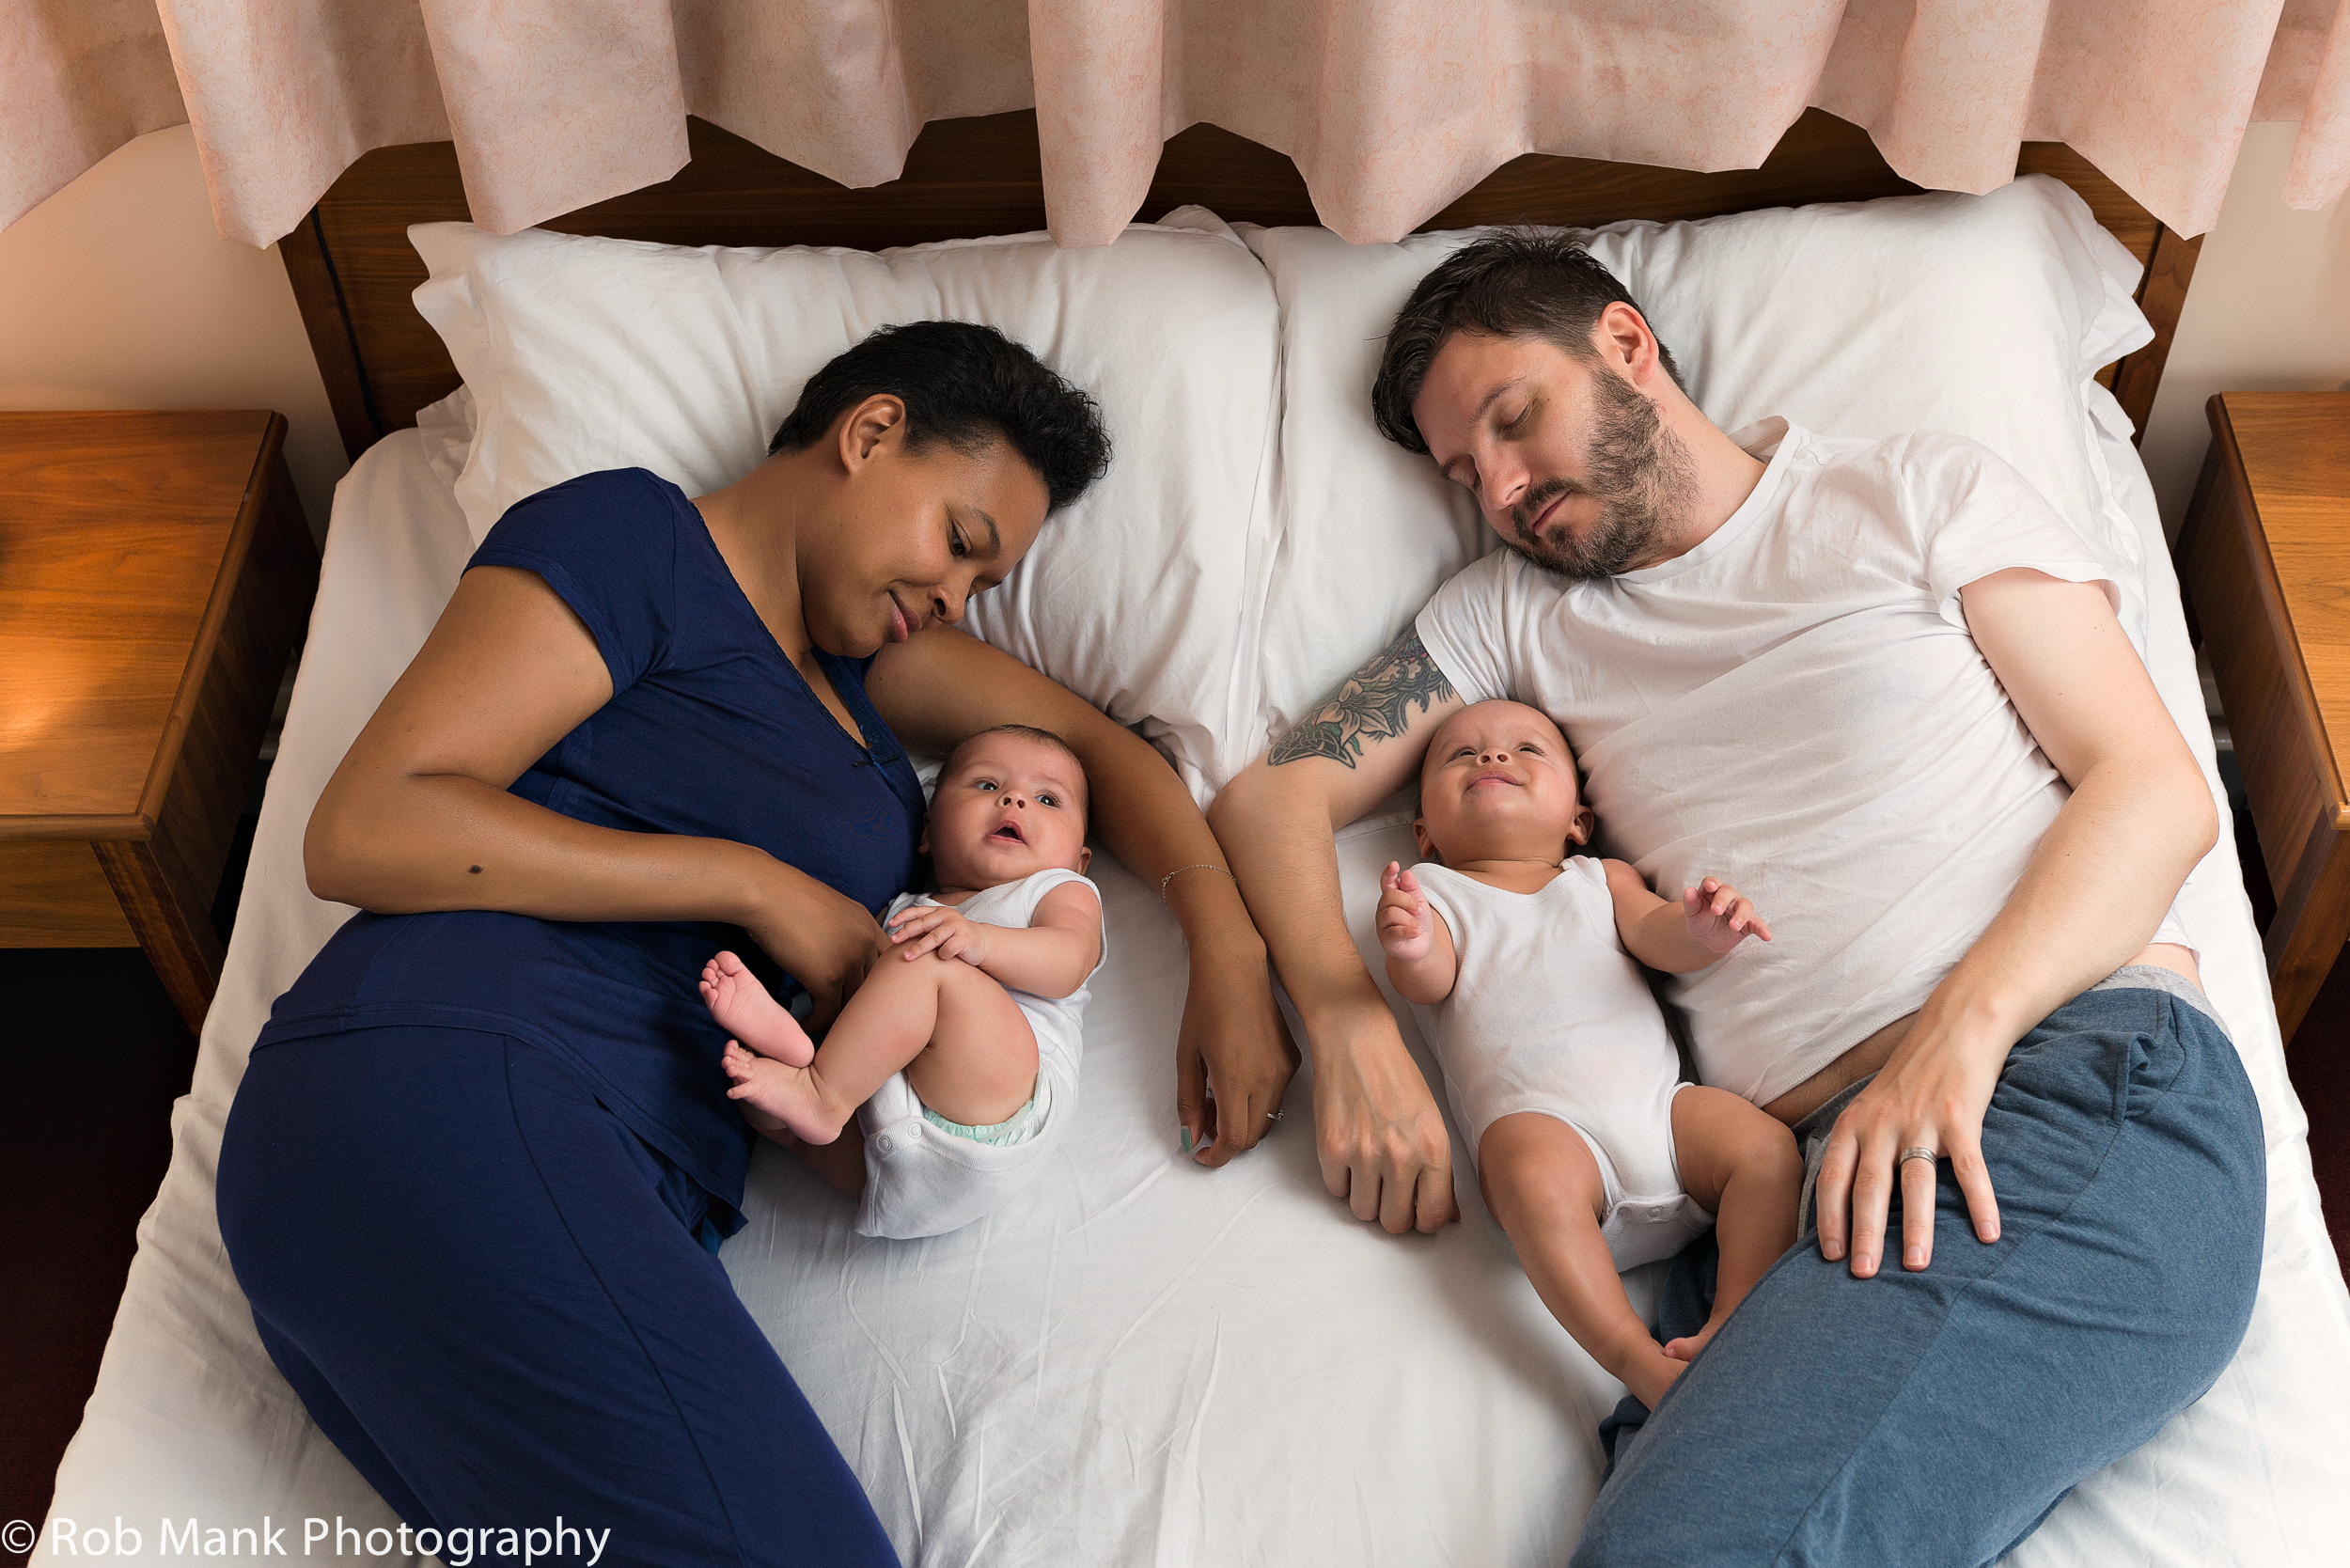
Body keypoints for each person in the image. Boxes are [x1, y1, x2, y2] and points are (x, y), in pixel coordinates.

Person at [1208, 232, 2264, 1564]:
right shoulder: (1507, 619)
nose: (1506, 491)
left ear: (1627, 345)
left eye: (1515, 421)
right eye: (1466, 474)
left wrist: (1959, 1036)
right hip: (1796, 1189)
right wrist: (1350, 1020)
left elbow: (2156, 789)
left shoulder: (1910, 493)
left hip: (2056, 1087)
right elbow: (1270, 797)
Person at [215, 321, 1294, 1568]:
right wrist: (754, 884)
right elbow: (365, 826)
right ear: (871, 432)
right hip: (462, 1073)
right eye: (959, 541)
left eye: (982, 590)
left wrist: (1228, 950)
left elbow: (1102, 753)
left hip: (577, 1163)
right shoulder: (639, 542)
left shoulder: (869, 679)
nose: (953, 601)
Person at [1374, 699, 1797, 1410]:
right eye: (1460, 755)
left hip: (1664, 1117)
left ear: (1578, 820)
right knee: (1523, 1167)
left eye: (1526, 750)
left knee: (1766, 1150)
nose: (1492, 759)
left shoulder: (1601, 880)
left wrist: (1702, 933)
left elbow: (1658, 937)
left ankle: (1734, 1314)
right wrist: (1408, 943)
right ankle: (1634, 1357)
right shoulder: (1437, 893)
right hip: (1555, 1143)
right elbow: (1432, 978)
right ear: (1425, 833)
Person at [704, 723, 1104, 1239]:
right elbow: (874, 1019)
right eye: (986, 785)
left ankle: (819, 1090)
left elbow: (1069, 959)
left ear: (1080, 861)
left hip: (1004, 1096)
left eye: (1048, 799)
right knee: (767, 1111)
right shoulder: (900, 912)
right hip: (890, 1163)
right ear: (928, 832)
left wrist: (981, 941)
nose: (1014, 800)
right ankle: (796, 1060)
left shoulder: (1057, 889)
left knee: (929, 961)